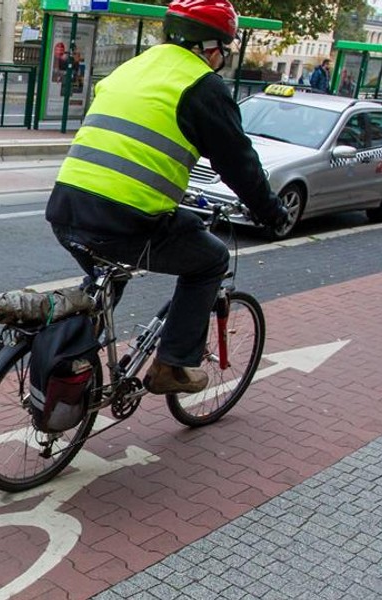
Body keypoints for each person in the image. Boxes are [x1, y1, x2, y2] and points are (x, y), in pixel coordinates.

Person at [46, 0, 289, 395]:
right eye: (223, 50)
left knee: (106, 279)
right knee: (210, 260)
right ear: (212, 47)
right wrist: (271, 212)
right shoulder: (202, 86)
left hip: (66, 207)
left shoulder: (134, 67)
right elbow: (239, 163)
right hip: (125, 221)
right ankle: (172, 365)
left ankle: (71, 363)